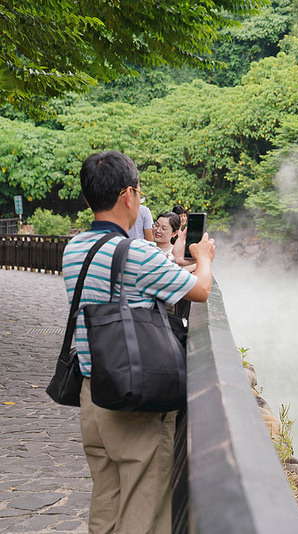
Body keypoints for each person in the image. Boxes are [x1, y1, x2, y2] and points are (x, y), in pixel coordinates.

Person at [61, 150, 215, 534]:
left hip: (91, 394)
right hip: (132, 397)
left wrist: (175, 259)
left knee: (106, 500)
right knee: (143, 511)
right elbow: (200, 290)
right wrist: (204, 257)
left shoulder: (73, 248)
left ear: (87, 199)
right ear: (128, 195)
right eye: (140, 193)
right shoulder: (139, 253)